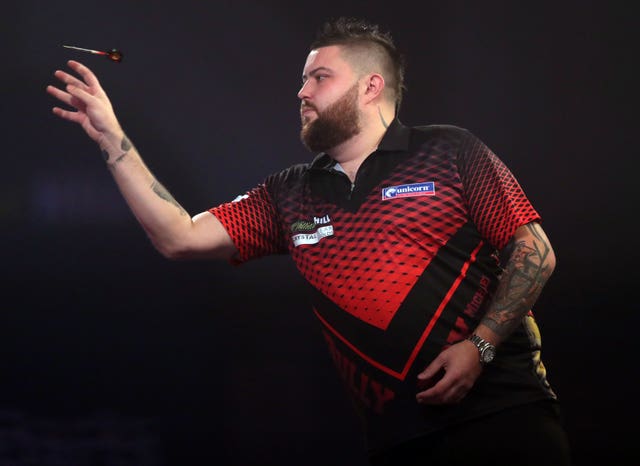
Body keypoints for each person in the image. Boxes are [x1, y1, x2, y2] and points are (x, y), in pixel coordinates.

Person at [46, 16, 572, 466]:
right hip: (397, 441)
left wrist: (479, 348)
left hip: (505, 417)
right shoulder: (288, 192)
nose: (301, 92)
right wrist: (111, 135)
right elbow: (177, 236)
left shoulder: (449, 150)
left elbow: (535, 253)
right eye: (303, 80)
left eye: (319, 77)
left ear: (370, 86)